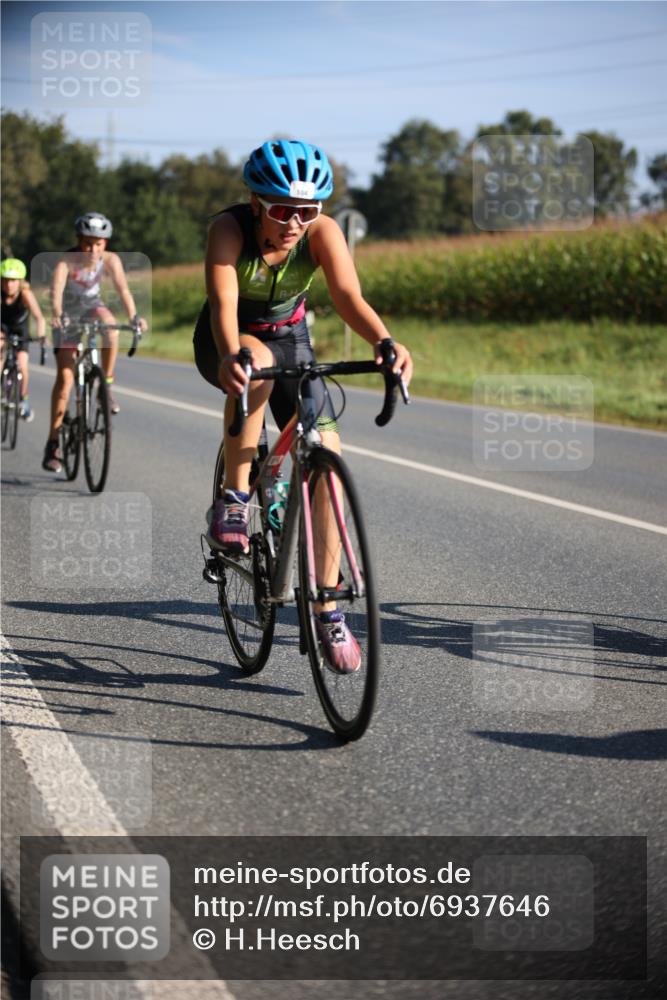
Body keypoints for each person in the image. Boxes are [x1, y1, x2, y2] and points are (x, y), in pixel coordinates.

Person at [193, 139, 412, 672]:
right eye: (281, 209)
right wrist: (230, 356)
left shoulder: (322, 232)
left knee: (328, 461)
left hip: (293, 339)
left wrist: (385, 343)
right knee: (255, 363)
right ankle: (236, 495)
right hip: (229, 338)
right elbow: (224, 303)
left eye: (307, 211)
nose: (294, 221)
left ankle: (327, 606)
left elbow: (347, 297)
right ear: (255, 203)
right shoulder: (229, 230)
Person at [43, 213, 146, 472]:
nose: (92, 249)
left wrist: (134, 317)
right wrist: (57, 314)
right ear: (78, 241)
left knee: (111, 328)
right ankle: (53, 443)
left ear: (105, 244)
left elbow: (122, 289)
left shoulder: (110, 259)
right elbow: (56, 290)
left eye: (98, 243)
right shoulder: (67, 260)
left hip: (91, 307)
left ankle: (105, 385)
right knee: (65, 379)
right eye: (88, 243)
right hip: (68, 313)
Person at [1, 257, 46, 422]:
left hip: (21, 331)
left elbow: (39, 317)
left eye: (12, 281)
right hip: (2, 328)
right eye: (5, 280)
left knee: (23, 365)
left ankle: (24, 399)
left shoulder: (25, 294)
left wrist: (41, 336)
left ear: (20, 281)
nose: (8, 284)